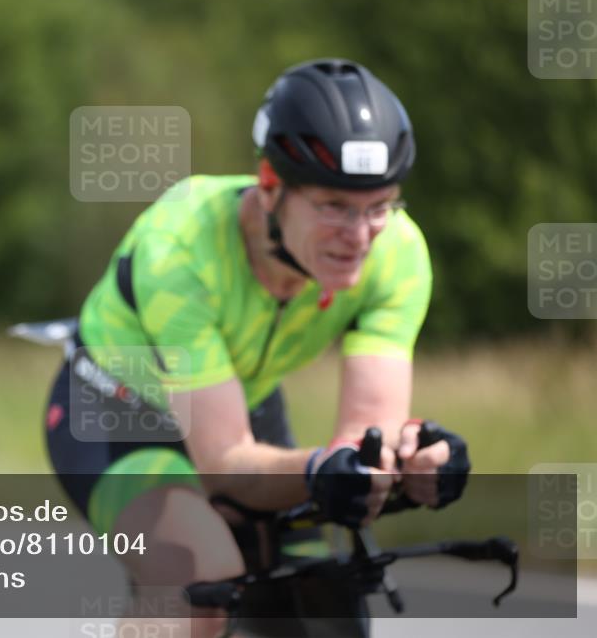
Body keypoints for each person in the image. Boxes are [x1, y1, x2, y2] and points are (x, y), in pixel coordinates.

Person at [44, 58, 470, 637]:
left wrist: (416, 461)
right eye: (334, 206)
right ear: (270, 186)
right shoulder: (181, 248)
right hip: (119, 415)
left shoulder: (397, 253)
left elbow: (365, 440)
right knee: (201, 585)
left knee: (320, 603)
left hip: (239, 405)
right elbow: (225, 466)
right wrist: (319, 470)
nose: (360, 236)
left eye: (380, 206)